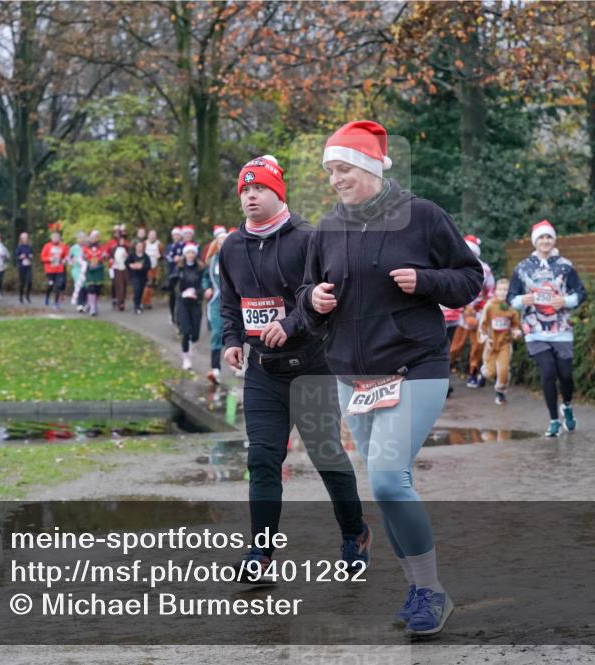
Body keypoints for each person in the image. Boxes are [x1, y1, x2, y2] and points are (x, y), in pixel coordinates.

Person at [298, 121, 483, 636]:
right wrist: (312, 300)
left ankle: (431, 591)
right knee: (387, 487)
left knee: (386, 478)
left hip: (414, 368)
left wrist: (426, 281)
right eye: (330, 171)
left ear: (370, 167)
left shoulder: (422, 216)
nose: (335, 179)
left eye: (343, 168)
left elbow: (470, 278)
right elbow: (306, 292)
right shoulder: (327, 228)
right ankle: (417, 590)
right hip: (353, 379)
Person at [219, 155, 367, 581]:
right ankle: (261, 555)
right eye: (245, 190)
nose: (250, 196)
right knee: (263, 458)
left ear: (278, 193)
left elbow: (327, 298)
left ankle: (355, 534)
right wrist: (231, 341)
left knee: (327, 456)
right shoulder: (231, 247)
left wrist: (291, 323)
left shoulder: (307, 238)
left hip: (312, 368)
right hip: (263, 373)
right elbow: (229, 303)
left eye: (260, 188)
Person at [508, 219, 586, 437]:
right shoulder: (523, 267)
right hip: (534, 330)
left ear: (554, 240)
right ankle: (553, 421)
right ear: (535, 241)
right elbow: (511, 297)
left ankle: (567, 405)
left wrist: (565, 301)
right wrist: (523, 299)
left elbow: (581, 293)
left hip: (561, 329)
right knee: (548, 372)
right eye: (541, 237)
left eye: (549, 237)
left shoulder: (565, 266)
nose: (545, 241)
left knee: (566, 376)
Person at [450, 234, 495, 388]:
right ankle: (443, 374)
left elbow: (490, 292)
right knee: (455, 346)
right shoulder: (455, 267)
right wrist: (462, 307)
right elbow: (450, 290)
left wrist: (481, 308)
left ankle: (473, 374)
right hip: (461, 314)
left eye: (472, 251)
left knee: (477, 346)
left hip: (478, 314)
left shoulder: (485, 269)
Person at [478, 278, 522, 405]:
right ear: (495, 291)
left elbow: (515, 325)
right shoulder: (490, 306)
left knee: (503, 370)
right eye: (500, 289)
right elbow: (483, 324)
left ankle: (500, 392)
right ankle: (483, 373)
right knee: (490, 372)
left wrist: (516, 332)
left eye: (506, 290)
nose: (503, 292)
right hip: (491, 343)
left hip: (505, 343)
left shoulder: (511, 308)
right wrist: (485, 337)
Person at [202, 228, 227, 383]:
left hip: (233, 303)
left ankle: (238, 364)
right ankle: (215, 369)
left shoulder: (236, 259)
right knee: (216, 332)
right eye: (220, 243)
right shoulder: (212, 261)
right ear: (216, 245)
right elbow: (205, 277)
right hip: (216, 302)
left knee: (234, 333)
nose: (222, 245)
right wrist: (206, 288)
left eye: (225, 242)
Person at [174, 242, 205, 370]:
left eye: (192, 252)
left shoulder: (200, 268)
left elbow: (204, 285)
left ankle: (193, 343)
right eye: (188, 252)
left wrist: (196, 292)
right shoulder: (179, 268)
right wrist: (182, 293)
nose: (190, 255)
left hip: (196, 302)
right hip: (183, 303)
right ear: (184, 254)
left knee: (195, 333)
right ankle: (186, 358)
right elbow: (174, 284)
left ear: (195, 254)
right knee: (186, 331)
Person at [41, 228, 68, 309]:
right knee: (50, 285)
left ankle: (56, 302)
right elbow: (42, 257)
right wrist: (49, 259)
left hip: (59, 269)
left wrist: (64, 260)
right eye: (54, 237)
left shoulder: (63, 246)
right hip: (50, 270)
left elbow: (66, 256)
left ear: (59, 238)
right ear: (51, 238)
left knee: (58, 285)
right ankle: (47, 296)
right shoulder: (47, 246)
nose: (56, 239)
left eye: (57, 237)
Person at [82, 230, 107, 316]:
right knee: (91, 287)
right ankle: (92, 307)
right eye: (92, 237)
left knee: (97, 289)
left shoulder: (101, 247)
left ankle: (93, 304)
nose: (94, 238)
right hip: (89, 269)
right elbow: (82, 257)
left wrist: (104, 256)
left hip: (98, 269)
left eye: (96, 237)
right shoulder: (85, 247)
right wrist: (86, 261)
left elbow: (105, 256)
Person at [165, 227, 184, 325]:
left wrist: (180, 258)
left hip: (181, 274)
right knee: (172, 295)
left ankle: (179, 316)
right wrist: (174, 259)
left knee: (180, 295)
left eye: (177, 235)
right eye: (174, 235)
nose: (176, 237)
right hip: (172, 273)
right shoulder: (169, 246)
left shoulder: (184, 245)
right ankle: (172, 314)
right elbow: (167, 258)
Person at [127, 240, 151, 314]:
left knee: (141, 290)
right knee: (136, 289)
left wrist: (142, 266)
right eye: (138, 246)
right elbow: (126, 263)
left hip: (143, 276)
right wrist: (131, 265)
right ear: (135, 247)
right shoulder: (132, 255)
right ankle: (136, 306)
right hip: (134, 276)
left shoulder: (146, 256)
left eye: (141, 246)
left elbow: (148, 266)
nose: (139, 248)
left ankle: (139, 303)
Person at [143, 229, 164, 309]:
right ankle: (145, 301)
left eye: (154, 235)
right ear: (148, 235)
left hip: (155, 267)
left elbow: (163, 256)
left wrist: (160, 257)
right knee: (147, 283)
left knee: (151, 285)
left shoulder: (159, 244)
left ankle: (148, 301)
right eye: (151, 235)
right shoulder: (144, 243)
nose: (152, 236)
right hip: (146, 267)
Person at [68, 231, 88, 310]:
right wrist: (71, 261)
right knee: (79, 285)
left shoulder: (87, 247)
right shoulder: (74, 248)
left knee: (86, 286)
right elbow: (69, 258)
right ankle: (80, 304)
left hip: (86, 269)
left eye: (83, 238)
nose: (81, 240)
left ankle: (85, 302)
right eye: (80, 238)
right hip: (76, 269)